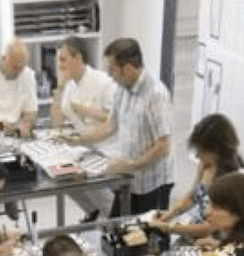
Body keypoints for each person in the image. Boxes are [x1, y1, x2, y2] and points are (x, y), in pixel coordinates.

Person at [72, 37, 174, 217]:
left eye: (112, 70)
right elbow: (110, 125)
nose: (109, 76)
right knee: (117, 227)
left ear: (128, 69)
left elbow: (163, 145)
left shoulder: (156, 94)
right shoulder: (122, 89)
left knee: (144, 232)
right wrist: (78, 139)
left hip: (153, 184)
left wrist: (132, 164)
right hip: (128, 178)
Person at [51, 37, 118, 221]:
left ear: (78, 57)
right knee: (60, 174)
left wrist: (86, 110)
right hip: (85, 146)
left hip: (107, 148)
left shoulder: (103, 82)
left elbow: (115, 118)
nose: (59, 65)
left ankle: (114, 215)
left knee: (80, 174)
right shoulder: (70, 85)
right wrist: (59, 88)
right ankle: (93, 211)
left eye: (63, 59)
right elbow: (56, 122)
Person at [155, 113, 244, 241]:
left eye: (201, 150)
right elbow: (192, 196)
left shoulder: (235, 180)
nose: (197, 156)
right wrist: (169, 214)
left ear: (216, 150)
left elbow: (210, 228)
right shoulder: (205, 165)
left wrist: (169, 227)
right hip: (191, 233)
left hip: (212, 242)